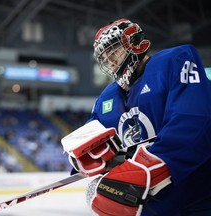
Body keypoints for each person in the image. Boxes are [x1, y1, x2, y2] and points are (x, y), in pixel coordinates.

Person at [61, 18, 211, 215]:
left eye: (114, 52)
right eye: (105, 59)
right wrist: (83, 159)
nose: (111, 61)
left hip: (198, 194)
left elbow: (194, 118)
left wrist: (155, 162)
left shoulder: (174, 61)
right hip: (153, 201)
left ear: (135, 44)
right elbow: (93, 136)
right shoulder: (107, 98)